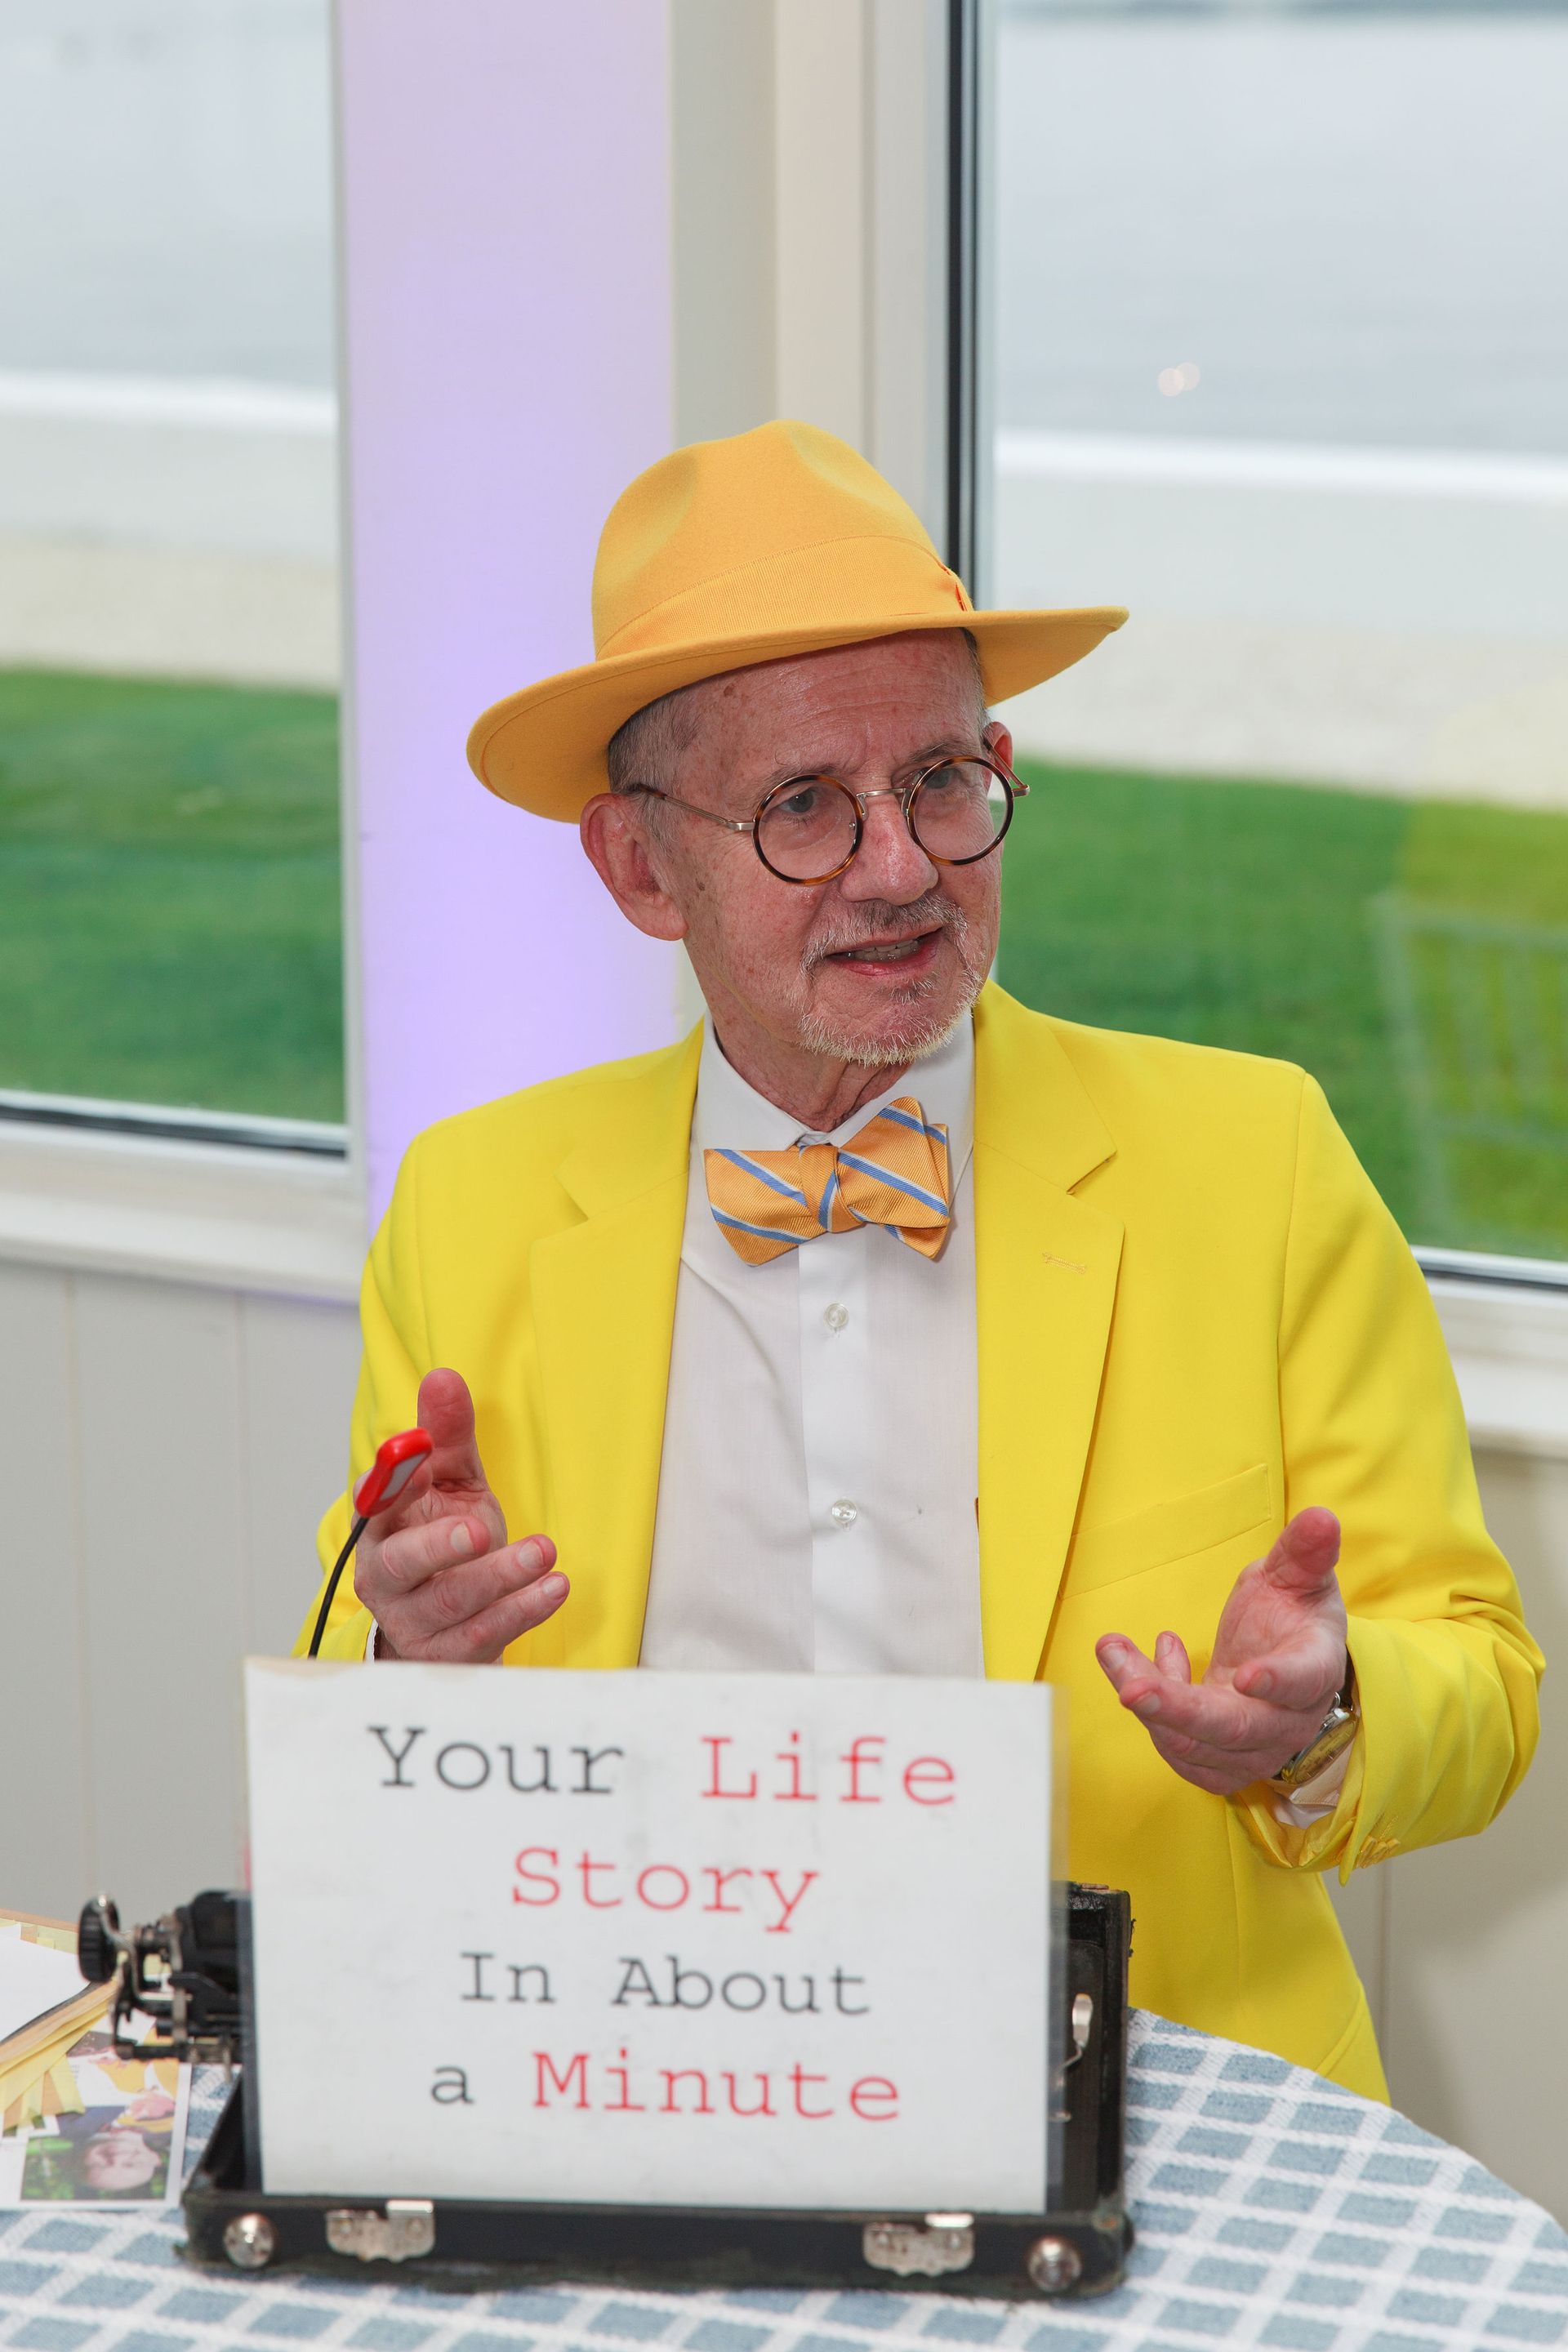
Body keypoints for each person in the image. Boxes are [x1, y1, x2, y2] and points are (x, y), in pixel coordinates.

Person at [297, 420, 1541, 2098]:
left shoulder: (1258, 1161)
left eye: (943, 784)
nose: (901, 869)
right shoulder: (476, 1202)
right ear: (639, 865)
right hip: (647, 2088)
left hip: (1161, 2112)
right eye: (806, 805)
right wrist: (408, 1653)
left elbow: (1478, 1676)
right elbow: (355, 1700)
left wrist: (1323, 1715)